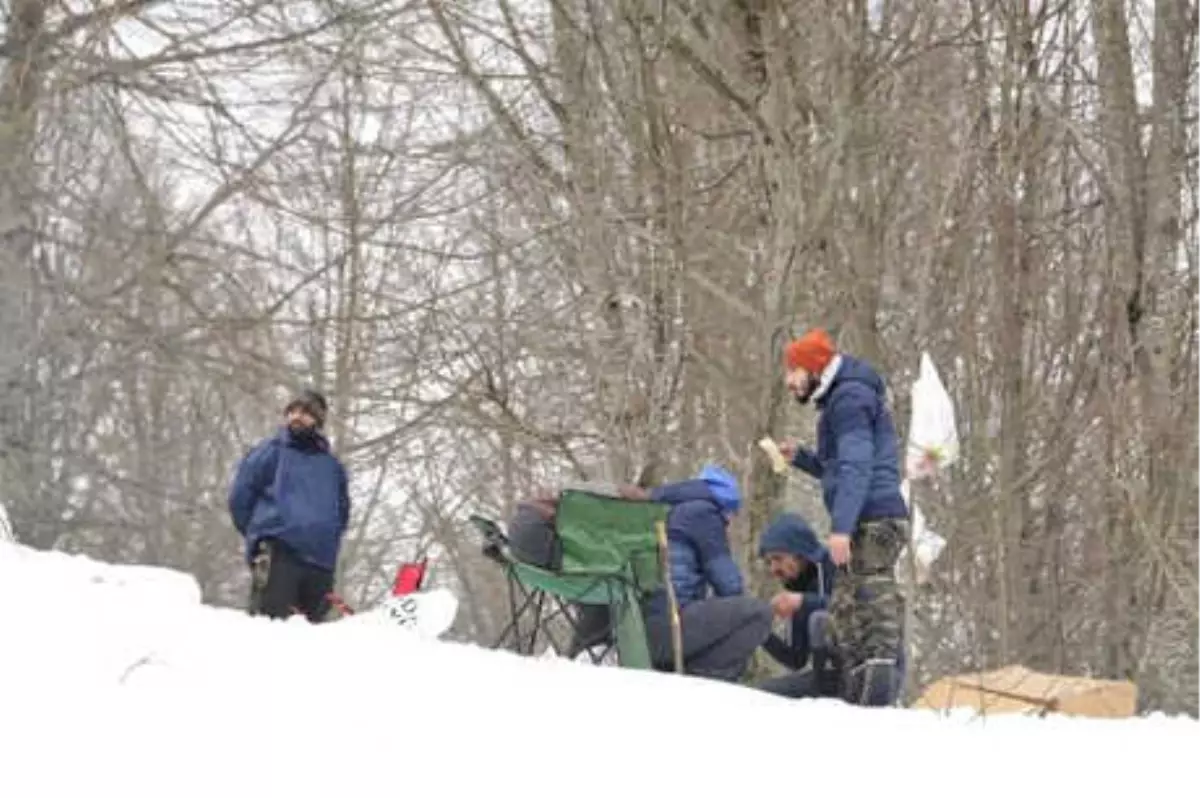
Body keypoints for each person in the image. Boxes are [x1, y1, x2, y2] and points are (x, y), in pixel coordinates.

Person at [780, 328, 909, 706]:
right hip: (862, 515)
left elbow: (856, 466)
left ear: (816, 369)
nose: (790, 381)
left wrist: (841, 528)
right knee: (843, 605)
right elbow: (837, 467)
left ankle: (880, 672)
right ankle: (856, 681)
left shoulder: (850, 399)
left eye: (795, 371)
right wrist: (802, 458)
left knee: (870, 590)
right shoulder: (837, 402)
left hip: (874, 516)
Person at [638, 465, 773, 683]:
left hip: (638, 627)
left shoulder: (666, 508)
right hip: (666, 628)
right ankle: (707, 684)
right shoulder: (702, 513)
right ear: (726, 506)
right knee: (758, 613)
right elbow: (728, 585)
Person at [228, 388, 351, 623]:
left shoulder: (332, 467)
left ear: (318, 420)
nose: (297, 416)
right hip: (279, 552)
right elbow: (240, 498)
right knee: (271, 627)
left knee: (313, 637)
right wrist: (260, 533)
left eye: (305, 412)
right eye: (292, 411)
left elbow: (342, 511)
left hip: (320, 560)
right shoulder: (269, 452)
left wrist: (328, 535)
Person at [755, 511, 841, 699]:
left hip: (862, 669)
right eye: (769, 562)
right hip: (823, 678)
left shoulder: (836, 565)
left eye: (778, 558)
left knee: (819, 619)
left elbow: (854, 610)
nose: (773, 569)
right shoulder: (796, 585)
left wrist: (803, 601)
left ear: (800, 553)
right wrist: (761, 632)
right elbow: (796, 659)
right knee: (757, 694)